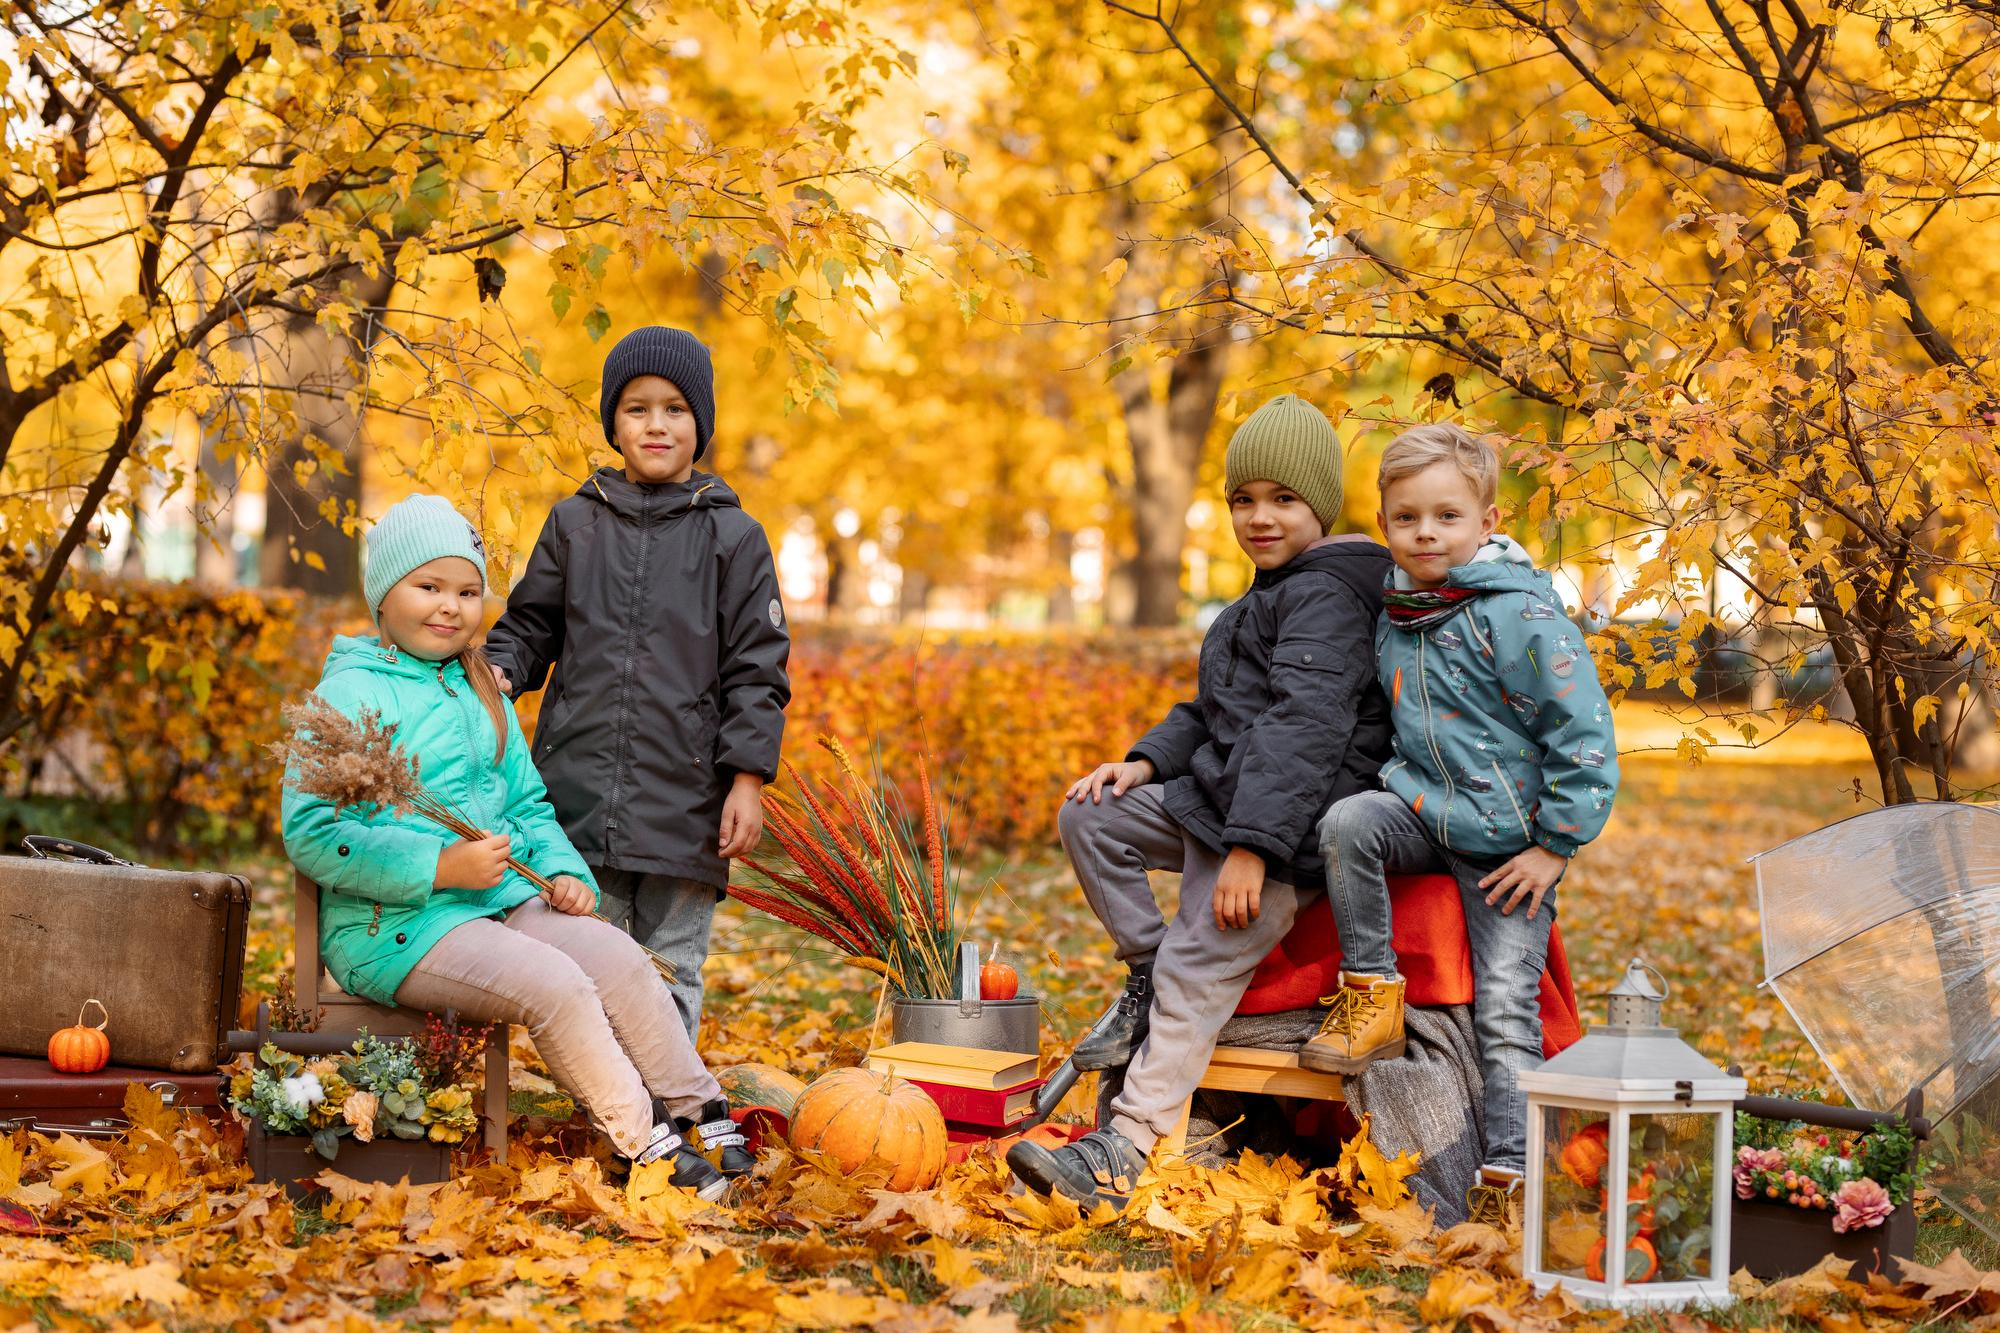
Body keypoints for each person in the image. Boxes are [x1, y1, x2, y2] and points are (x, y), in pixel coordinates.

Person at [282, 495, 753, 1197]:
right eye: (429, 586)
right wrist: (439, 866)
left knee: (619, 957)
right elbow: (313, 833)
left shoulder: (482, 687)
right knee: (556, 983)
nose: (451, 607)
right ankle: (644, 1143)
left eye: (468, 591)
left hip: (499, 902)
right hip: (396, 928)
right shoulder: (352, 692)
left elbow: (526, 803)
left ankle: (698, 1105)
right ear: (384, 594)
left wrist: (562, 870)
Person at [1005, 395, 1394, 1209]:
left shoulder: (1326, 597)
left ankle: (1126, 1144)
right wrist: (1143, 763)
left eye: (1284, 499)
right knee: (1092, 814)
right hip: (1222, 803)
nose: (1260, 516)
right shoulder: (1264, 595)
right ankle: (1145, 971)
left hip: (1285, 833)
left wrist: (1252, 848)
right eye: (1243, 500)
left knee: (1197, 958)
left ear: (1320, 505)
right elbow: (1211, 713)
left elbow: (1302, 729)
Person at [1312, 423, 1619, 1225]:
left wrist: (1553, 846)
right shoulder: (1399, 608)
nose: (1426, 533)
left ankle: (1509, 1177)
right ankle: (1372, 989)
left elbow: (1582, 731)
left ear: (1487, 522)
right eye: (1407, 517)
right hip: (1423, 812)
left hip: (1509, 848)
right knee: (1348, 824)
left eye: (1447, 516)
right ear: (1385, 525)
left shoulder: (1519, 613)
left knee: (1505, 1011)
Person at [483, 326, 791, 1043]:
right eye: (637, 408)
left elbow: (758, 666)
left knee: (670, 965)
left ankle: (667, 1111)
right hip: (578, 794)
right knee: (585, 959)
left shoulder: (734, 538)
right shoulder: (574, 523)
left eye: (676, 409)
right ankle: (606, 1107)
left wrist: (746, 778)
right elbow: (531, 624)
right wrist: (499, 671)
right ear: (613, 423)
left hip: (687, 802)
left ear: (701, 426)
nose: (656, 424)